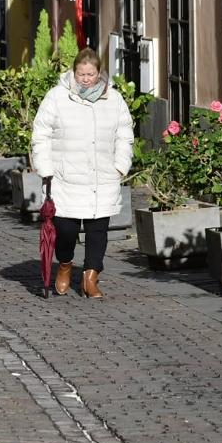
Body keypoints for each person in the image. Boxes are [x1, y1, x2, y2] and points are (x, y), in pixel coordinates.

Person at [31, 47, 134, 299]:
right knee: (65, 228)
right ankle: (65, 264)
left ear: (99, 73)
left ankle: (91, 277)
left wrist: (121, 164)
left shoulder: (114, 99)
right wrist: (46, 168)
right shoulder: (56, 97)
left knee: (98, 229)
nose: (86, 78)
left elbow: (124, 132)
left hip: (103, 175)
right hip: (65, 177)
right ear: (73, 72)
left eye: (91, 74)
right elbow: (41, 133)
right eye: (81, 74)